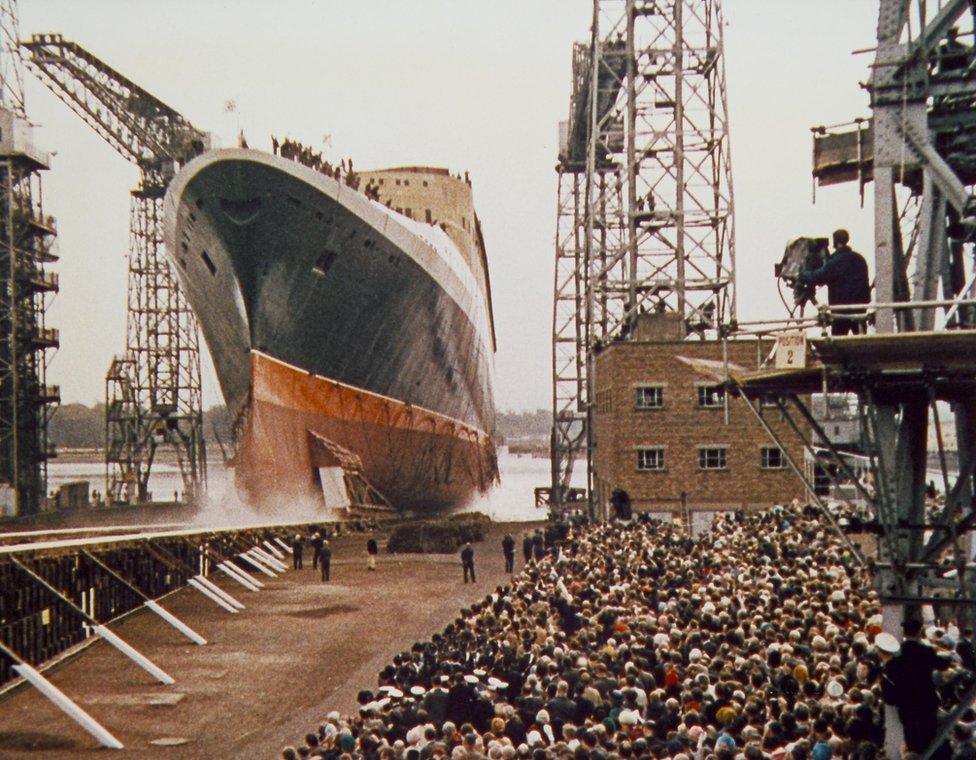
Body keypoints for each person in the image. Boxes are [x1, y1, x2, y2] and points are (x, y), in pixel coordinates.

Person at [882, 617, 953, 760]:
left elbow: (888, 673)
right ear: (919, 632)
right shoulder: (926, 652)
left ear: (904, 632)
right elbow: (942, 665)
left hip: (907, 706)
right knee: (930, 739)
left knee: (913, 741)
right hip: (926, 703)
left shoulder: (897, 655)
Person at [799, 229, 871, 336]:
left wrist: (802, 273)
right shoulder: (860, 259)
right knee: (862, 344)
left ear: (835, 242)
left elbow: (816, 277)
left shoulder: (835, 263)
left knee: (838, 345)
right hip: (860, 310)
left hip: (840, 312)